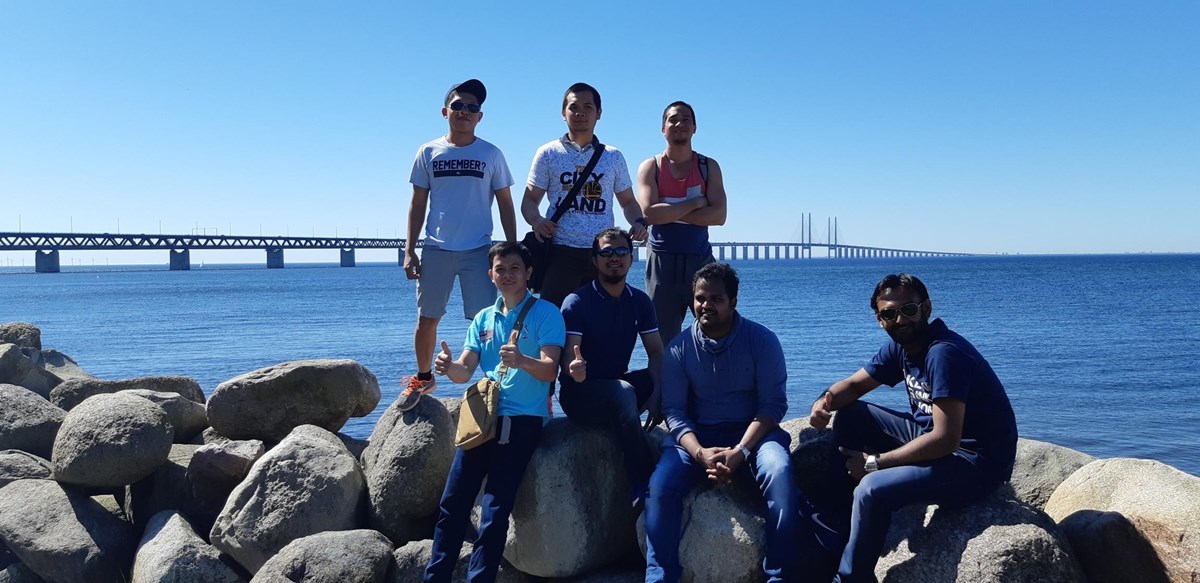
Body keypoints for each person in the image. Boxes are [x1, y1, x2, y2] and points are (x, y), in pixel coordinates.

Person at [809, 273, 1018, 583]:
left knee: (871, 489)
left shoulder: (944, 353)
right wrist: (824, 402)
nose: (900, 319)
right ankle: (841, 522)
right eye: (889, 314)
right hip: (933, 438)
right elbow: (854, 386)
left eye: (908, 309)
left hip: (976, 462)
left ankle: (851, 577)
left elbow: (946, 439)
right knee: (851, 412)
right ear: (879, 319)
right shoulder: (902, 348)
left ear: (927, 308)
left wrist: (873, 464)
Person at [644, 262, 800, 583]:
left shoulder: (762, 341)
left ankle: (779, 576)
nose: (706, 305)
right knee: (660, 486)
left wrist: (741, 450)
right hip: (699, 435)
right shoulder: (679, 349)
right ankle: (660, 577)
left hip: (755, 434)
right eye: (701, 298)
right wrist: (699, 452)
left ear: (733, 302)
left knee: (780, 474)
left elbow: (773, 406)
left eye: (716, 298)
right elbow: (674, 411)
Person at [423, 241, 565, 583]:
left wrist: (522, 360)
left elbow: (550, 371)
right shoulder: (484, 318)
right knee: (452, 504)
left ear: (529, 273)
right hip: (481, 418)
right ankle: (435, 577)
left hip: (521, 420)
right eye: (500, 270)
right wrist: (447, 366)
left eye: (515, 269)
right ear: (490, 274)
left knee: (495, 509)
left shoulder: (547, 313)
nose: (507, 276)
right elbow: (465, 371)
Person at [400, 79, 519, 412]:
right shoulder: (428, 152)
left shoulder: (491, 154)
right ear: (445, 111)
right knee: (427, 318)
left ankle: (495, 383)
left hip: (479, 250)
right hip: (436, 248)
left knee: (484, 322)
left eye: (472, 108)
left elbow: (506, 202)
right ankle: (424, 378)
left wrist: (511, 247)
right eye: (458, 106)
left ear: (480, 117)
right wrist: (409, 249)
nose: (464, 112)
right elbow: (417, 203)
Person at [559, 227, 664, 509]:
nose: (614, 258)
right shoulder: (577, 302)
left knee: (665, 381)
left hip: (617, 388)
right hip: (581, 394)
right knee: (624, 393)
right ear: (594, 260)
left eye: (621, 252)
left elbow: (656, 353)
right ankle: (641, 480)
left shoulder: (640, 301)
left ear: (631, 258)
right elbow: (570, 357)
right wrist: (574, 369)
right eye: (606, 252)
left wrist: (656, 394)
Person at [521, 82, 649, 307]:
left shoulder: (613, 156)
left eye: (588, 107)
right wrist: (537, 220)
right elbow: (529, 201)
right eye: (573, 107)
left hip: (602, 253)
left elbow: (628, 201)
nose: (580, 112)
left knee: (602, 322)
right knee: (556, 323)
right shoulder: (548, 153)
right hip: (560, 252)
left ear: (598, 113)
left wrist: (638, 222)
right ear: (563, 113)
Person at [636, 101, 727, 344]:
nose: (679, 124)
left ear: (695, 127)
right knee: (662, 339)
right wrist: (696, 203)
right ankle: (665, 382)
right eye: (673, 119)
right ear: (663, 128)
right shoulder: (651, 167)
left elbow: (719, 216)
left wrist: (669, 211)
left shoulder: (708, 167)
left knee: (715, 331)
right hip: (661, 263)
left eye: (686, 119)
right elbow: (649, 214)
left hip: (700, 260)